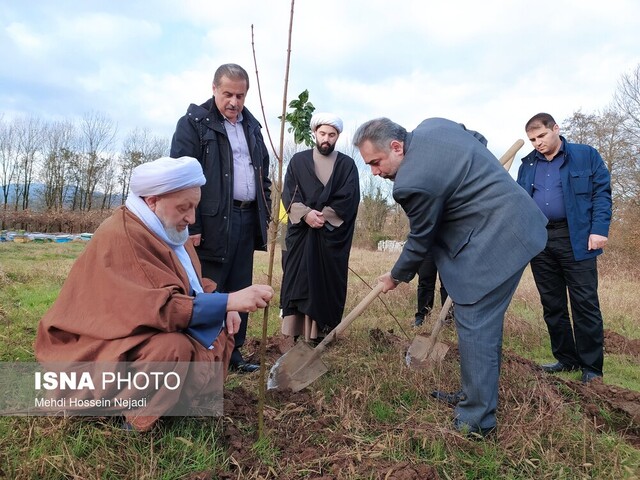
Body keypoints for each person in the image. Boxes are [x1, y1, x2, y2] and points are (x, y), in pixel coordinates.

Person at [34, 156, 274, 431]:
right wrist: (229, 300)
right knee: (171, 349)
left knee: (219, 329)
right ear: (152, 200)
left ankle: (173, 403)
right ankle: (127, 419)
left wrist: (223, 303)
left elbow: (188, 282)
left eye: (195, 207)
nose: (192, 218)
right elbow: (159, 307)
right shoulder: (124, 236)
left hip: (135, 328)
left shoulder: (165, 229)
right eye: (184, 207)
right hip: (93, 344)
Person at [353, 117, 548, 438]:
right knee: (481, 327)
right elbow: (479, 139)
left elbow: (420, 240)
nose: (375, 172)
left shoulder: (410, 183)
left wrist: (395, 276)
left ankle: (476, 421)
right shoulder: (434, 126)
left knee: (476, 324)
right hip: (515, 222)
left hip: (497, 241)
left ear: (397, 147)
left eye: (376, 162)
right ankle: (475, 394)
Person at [170, 63, 272, 373]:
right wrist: (193, 223)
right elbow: (181, 177)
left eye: (240, 96)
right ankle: (205, 349)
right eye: (228, 94)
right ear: (214, 89)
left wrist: (264, 210)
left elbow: (263, 173)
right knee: (210, 283)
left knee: (240, 284)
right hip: (211, 221)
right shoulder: (194, 124)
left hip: (246, 218)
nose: (234, 102)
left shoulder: (253, 128)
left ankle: (234, 353)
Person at [516, 113, 612, 383]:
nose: (537, 143)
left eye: (542, 136)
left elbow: (602, 193)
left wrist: (598, 230)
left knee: (585, 304)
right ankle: (566, 359)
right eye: (532, 139)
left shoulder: (585, 156)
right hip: (541, 241)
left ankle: (592, 369)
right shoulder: (527, 165)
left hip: (578, 238)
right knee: (552, 304)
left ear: (555, 129)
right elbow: (519, 202)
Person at [280, 112, 360, 343]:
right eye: (322, 133)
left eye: (332, 135)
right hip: (301, 237)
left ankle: (322, 334)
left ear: (337, 137)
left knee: (327, 284)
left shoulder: (347, 165)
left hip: (330, 239)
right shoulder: (298, 161)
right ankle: (293, 333)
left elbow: (349, 198)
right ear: (314, 133)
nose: (326, 139)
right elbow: (289, 193)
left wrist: (323, 216)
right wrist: (305, 215)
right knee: (299, 280)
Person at [413, 251, 451, 327]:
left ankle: (449, 317)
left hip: (447, 247)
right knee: (425, 282)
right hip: (428, 246)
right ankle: (422, 317)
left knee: (447, 283)